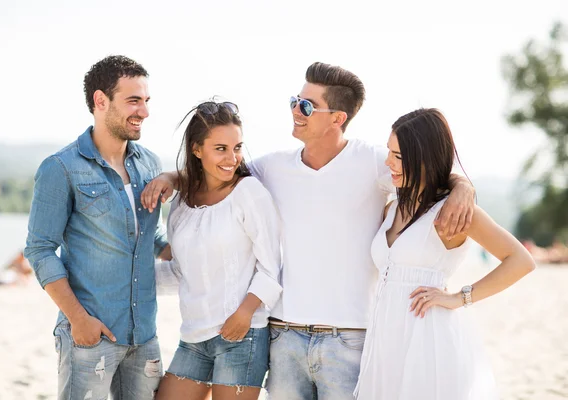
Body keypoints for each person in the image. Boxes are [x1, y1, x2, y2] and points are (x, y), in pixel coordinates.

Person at [141, 62, 476, 399]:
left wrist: (463, 187)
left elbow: (429, 173)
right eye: (294, 102)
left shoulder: (374, 163)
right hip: (284, 336)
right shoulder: (272, 168)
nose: (295, 112)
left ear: (337, 118)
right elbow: (220, 171)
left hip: (349, 339)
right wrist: (172, 178)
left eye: (306, 106)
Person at [354, 108, 536, 400]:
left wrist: (459, 298)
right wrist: (461, 182)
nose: (388, 162)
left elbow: (521, 260)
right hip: (385, 341)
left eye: (398, 156)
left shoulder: (455, 213)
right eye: (389, 152)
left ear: (424, 159)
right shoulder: (392, 208)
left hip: (428, 340)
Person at [24, 55, 171, 400]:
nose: (144, 112)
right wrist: (78, 319)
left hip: (144, 336)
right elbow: (40, 249)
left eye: (146, 101)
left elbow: (153, 237)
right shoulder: (61, 167)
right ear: (100, 101)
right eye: (133, 101)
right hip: (91, 336)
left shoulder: (150, 163)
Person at [154, 100, 282, 400]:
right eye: (221, 148)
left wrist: (244, 313)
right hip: (194, 337)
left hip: (241, 334)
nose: (232, 158)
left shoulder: (249, 193)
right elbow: (180, 270)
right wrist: (127, 278)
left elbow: (271, 267)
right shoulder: (182, 202)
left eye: (237, 147)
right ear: (197, 150)